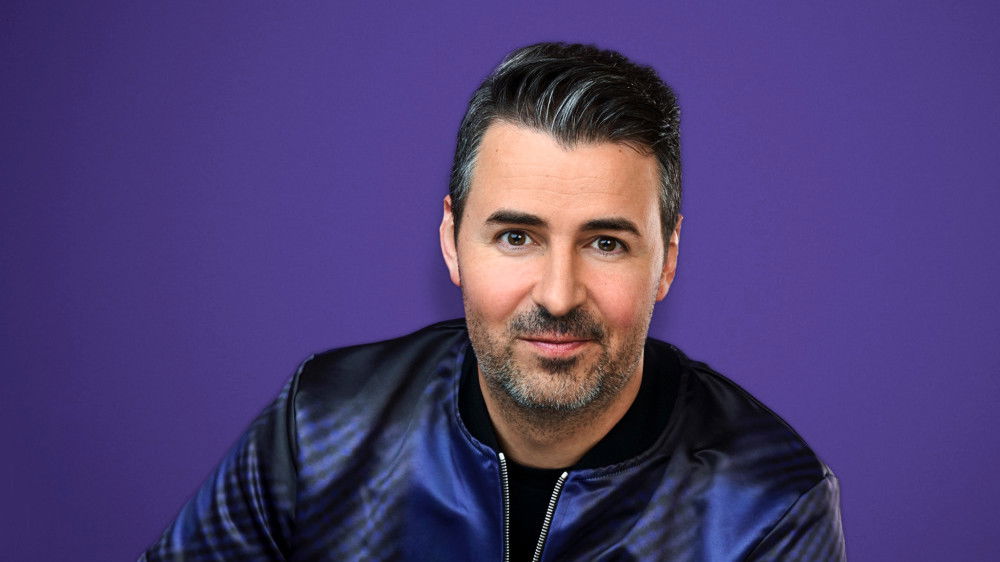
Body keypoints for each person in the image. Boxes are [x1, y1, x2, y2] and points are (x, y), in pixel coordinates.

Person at [141, 42, 845, 561]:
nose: (559, 295)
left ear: (669, 259)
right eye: (516, 237)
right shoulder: (324, 425)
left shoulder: (768, 506)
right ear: (452, 242)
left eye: (606, 243)